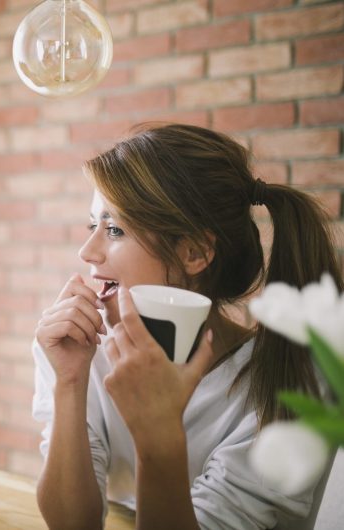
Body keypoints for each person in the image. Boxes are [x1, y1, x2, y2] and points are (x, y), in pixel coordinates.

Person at [32, 123, 343, 529]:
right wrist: (69, 384)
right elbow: (73, 524)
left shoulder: (286, 384)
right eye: (94, 225)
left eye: (114, 229)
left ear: (194, 253)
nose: (86, 251)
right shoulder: (80, 352)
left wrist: (158, 435)